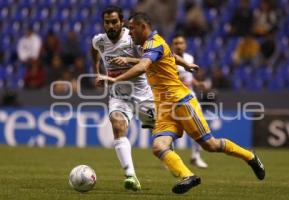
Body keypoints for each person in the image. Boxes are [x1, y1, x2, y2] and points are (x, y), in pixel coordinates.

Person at [98, 12, 265, 194]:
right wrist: (185, 64)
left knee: (210, 145)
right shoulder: (150, 45)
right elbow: (167, 56)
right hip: (164, 108)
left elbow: (143, 66)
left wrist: (115, 79)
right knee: (158, 147)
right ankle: (188, 176)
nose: (129, 33)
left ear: (143, 27)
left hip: (181, 102)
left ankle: (250, 157)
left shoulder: (154, 43)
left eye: (132, 28)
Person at [91, 6, 155, 192]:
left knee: (161, 134)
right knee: (117, 126)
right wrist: (97, 71)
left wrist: (129, 61)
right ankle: (130, 175)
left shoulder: (132, 39)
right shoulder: (99, 41)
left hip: (143, 95)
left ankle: (173, 161)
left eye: (114, 22)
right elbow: (94, 50)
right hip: (118, 96)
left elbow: (149, 61)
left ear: (121, 22)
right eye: (107, 22)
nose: (110, 26)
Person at [171, 34, 208, 168]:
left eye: (181, 43)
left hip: (189, 96)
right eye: (176, 43)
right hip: (173, 97)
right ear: (172, 45)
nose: (179, 45)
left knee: (199, 126)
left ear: (185, 45)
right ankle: (170, 158)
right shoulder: (169, 59)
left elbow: (188, 76)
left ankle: (195, 156)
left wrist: (197, 84)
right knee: (172, 127)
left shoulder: (189, 58)